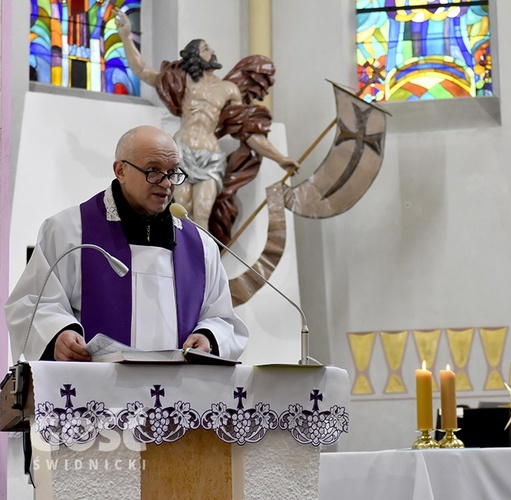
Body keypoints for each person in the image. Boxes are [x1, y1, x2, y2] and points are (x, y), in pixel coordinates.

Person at [5, 125, 249, 362]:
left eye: (173, 172)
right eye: (153, 170)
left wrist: (207, 337)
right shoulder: (69, 231)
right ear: (120, 170)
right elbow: (31, 304)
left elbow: (222, 319)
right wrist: (58, 334)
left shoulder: (201, 246)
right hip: (93, 394)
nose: (166, 184)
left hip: (177, 395)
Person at [114, 8, 298, 239]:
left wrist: (280, 158)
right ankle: (176, 263)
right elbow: (142, 70)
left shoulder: (229, 90)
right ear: (196, 55)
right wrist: (125, 37)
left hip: (210, 156)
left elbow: (247, 131)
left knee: (202, 213)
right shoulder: (183, 80)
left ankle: (202, 267)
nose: (212, 51)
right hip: (181, 151)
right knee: (179, 211)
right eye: (205, 48)